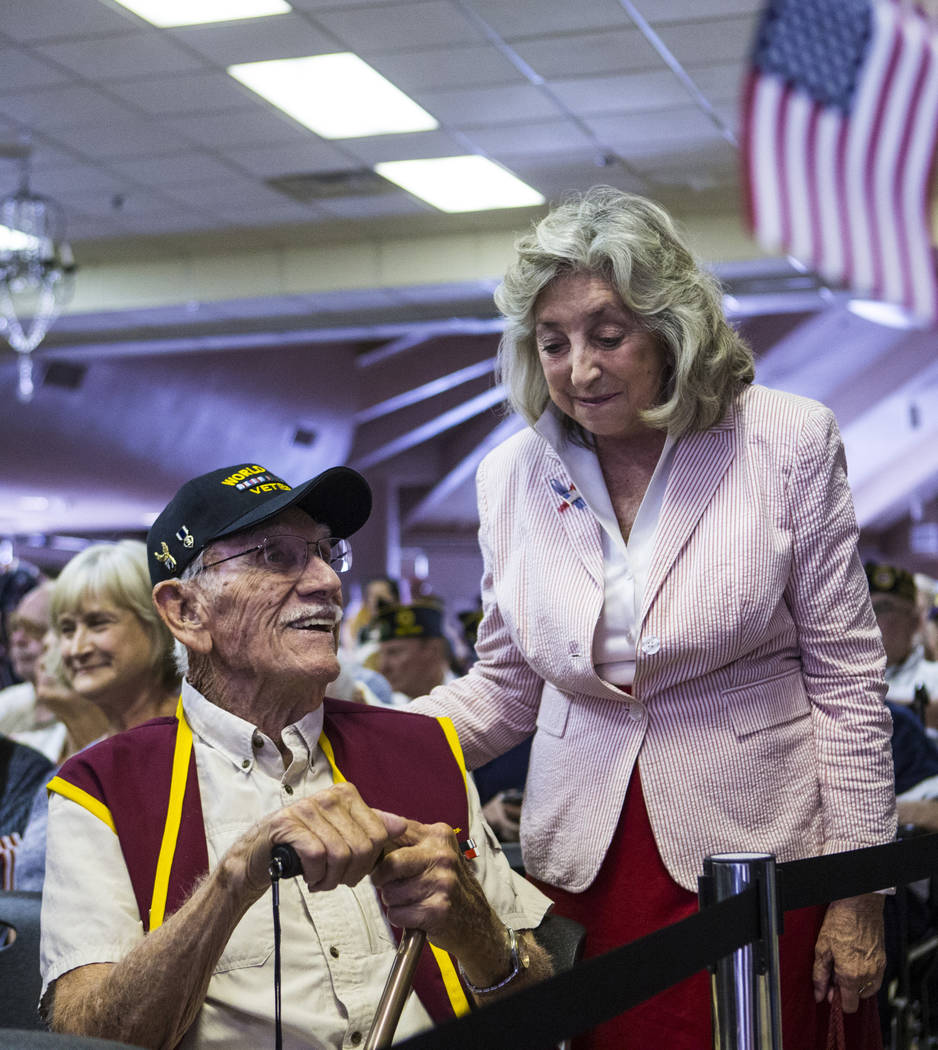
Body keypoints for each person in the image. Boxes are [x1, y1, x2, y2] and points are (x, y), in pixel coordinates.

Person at [409, 187, 897, 1047]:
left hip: (762, 856)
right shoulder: (509, 476)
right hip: (583, 866)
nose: (580, 370)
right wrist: (357, 736)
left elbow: (848, 681)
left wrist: (861, 895)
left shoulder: (786, 440)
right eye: (552, 343)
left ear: (673, 330)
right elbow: (505, 690)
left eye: (608, 334)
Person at [40, 462, 552, 1050]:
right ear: (185, 611)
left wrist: (479, 933)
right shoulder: (100, 787)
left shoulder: (423, 748)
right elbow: (87, 1037)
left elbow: (540, 1016)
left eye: (325, 552)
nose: (326, 582)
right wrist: (231, 882)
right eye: (274, 556)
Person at [866, 561, 938, 710]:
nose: (871, 618)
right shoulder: (840, 674)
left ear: (915, 621)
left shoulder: (934, 681)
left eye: (883, 608)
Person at [370, 600, 456, 703]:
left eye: (394, 652)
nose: (383, 667)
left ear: (432, 650)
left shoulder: (468, 705)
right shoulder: (389, 708)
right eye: (381, 654)